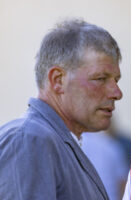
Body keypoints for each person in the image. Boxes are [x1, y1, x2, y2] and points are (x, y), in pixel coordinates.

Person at [0, 19, 122, 200]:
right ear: (58, 80)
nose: (117, 93)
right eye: (100, 79)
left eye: (116, 80)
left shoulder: (54, 139)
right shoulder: (30, 139)